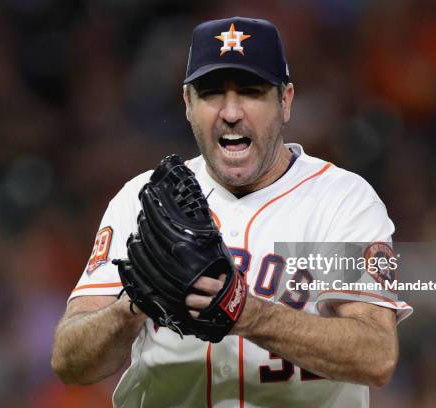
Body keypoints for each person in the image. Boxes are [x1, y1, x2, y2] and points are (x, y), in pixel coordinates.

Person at [51, 16, 412, 407]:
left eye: (252, 91)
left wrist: (250, 313)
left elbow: (377, 355)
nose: (231, 112)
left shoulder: (339, 201)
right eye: (211, 93)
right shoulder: (142, 199)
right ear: (188, 104)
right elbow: (70, 362)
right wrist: (133, 304)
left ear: (285, 102)